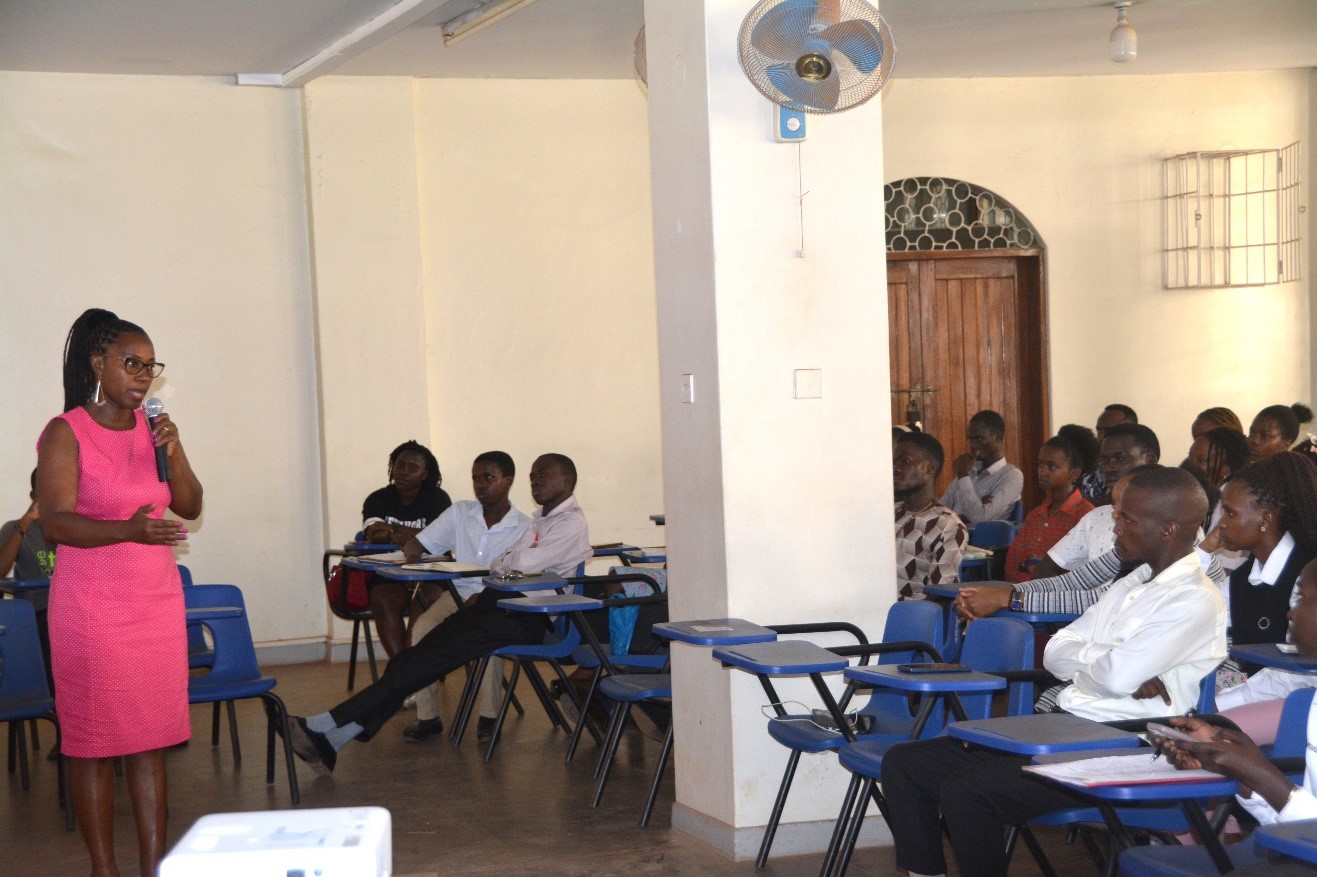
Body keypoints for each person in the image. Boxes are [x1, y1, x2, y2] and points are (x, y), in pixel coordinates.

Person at [884, 467, 1227, 877]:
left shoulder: (1194, 599)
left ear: (1169, 528)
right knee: (907, 763)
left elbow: (1113, 676)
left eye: (1126, 519)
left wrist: (1104, 664)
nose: (1114, 526)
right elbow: (1057, 653)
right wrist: (1108, 659)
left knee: (969, 791)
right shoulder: (1131, 583)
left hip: (1126, 740)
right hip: (1066, 728)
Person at [286, 453, 590, 773]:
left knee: (426, 660)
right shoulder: (541, 520)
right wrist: (509, 563)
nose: (535, 481)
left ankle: (324, 725)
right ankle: (332, 739)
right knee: (417, 657)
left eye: (543, 475)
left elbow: (521, 563)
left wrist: (510, 563)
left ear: (566, 481)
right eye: (532, 475)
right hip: (498, 603)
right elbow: (506, 562)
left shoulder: (570, 523)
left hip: (530, 616)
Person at [36, 308, 203, 877]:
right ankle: (103, 868)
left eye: (149, 367)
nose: (141, 377)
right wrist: (128, 530)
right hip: (93, 608)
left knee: (150, 739)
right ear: (97, 363)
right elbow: (55, 524)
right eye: (131, 363)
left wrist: (174, 450)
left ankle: (154, 866)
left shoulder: (154, 431)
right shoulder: (67, 432)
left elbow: (191, 505)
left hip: (153, 603)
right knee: (94, 742)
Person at [396, 451, 530, 742]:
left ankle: (488, 717)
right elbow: (418, 544)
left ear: (508, 480)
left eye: (488, 477)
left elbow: (519, 575)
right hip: (457, 597)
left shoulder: (524, 527)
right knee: (421, 630)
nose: (480, 484)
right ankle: (427, 717)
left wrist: (487, 596)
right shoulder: (460, 512)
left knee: (487, 637)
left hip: (495, 601)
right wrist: (412, 559)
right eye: (475, 478)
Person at [1028, 423, 1160, 579]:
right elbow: (1047, 568)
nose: (1110, 468)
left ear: (1150, 460)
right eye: (1104, 461)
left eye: (1120, 458)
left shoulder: (1171, 516)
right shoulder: (1095, 518)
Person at [1213, 452, 1317, 647]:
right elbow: (1193, 617)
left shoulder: (1306, 577)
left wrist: (1243, 680)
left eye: (1230, 513)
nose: (1221, 524)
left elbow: (1299, 670)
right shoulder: (1241, 579)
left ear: (1265, 519)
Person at [360, 440, 453, 658]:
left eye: (413, 467)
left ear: (425, 474)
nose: (403, 471)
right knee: (381, 599)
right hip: (390, 574)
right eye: (399, 465)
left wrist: (391, 529)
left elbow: (439, 538)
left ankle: (409, 670)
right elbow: (373, 532)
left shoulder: (438, 499)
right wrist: (417, 535)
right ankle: (402, 669)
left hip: (432, 573)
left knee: (423, 608)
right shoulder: (377, 499)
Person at [1002, 436, 1092, 583]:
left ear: (1074, 474)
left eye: (1052, 467)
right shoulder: (1036, 515)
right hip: (1025, 592)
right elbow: (1013, 562)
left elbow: (1080, 571)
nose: (1043, 472)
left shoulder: (1085, 515)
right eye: (1040, 465)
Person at [894, 432, 968, 600]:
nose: (895, 469)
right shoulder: (888, 513)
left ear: (930, 468)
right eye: (893, 463)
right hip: (865, 610)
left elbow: (939, 597)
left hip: (908, 619)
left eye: (904, 461)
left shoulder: (947, 525)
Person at [0, 468, 56, 681]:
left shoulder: (73, 529)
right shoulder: (15, 528)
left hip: (71, 610)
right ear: (34, 496)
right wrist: (25, 523)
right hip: (37, 614)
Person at [938, 410, 1023, 528]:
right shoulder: (970, 472)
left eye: (979, 439)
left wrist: (962, 475)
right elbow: (938, 511)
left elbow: (980, 520)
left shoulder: (1011, 475)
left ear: (998, 438)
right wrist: (960, 517)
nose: (973, 445)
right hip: (950, 538)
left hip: (981, 544)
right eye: (970, 439)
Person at [1078, 404, 1139, 502]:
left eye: (1108, 430)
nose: (1101, 437)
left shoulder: (1148, 482)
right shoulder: (1088, 481)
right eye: (1099, 431)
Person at [1248, 403, 1314, 463]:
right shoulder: (1244, 471)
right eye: (1252, 433)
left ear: (1284, 446)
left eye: (1265, 436)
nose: (1254, 441)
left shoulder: (1292, 475)